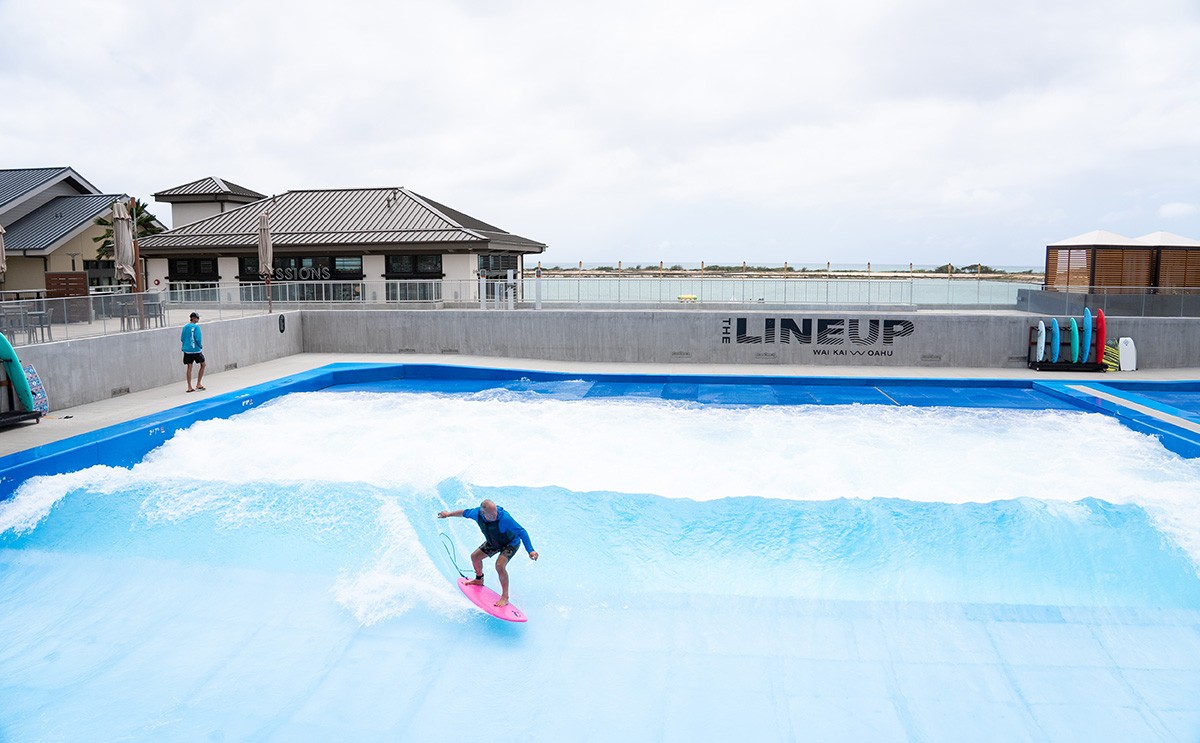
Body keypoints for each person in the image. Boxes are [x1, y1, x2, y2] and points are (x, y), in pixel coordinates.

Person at [438, 499, 538, 607]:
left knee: (500, 565)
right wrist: (448, 514)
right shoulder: (477, 513)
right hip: (494, 542)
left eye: (495, 512)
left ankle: (505, 597)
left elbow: (522, 531)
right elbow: (463, 513)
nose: (495, 515)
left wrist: (530, 550)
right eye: (491, 514)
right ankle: (479, 579)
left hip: (511, 543)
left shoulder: (504, 518)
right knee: (475, 557)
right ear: (483, 513)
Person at [181, 311, 206, 393]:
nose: (198, 320)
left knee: (189, 367)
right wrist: (200, 345)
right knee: (203, 364)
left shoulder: (185, 327)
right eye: (197, 318)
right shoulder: (196, 327)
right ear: (193, 318)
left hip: (187, 351)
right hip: (196, 350)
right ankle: (198, 384)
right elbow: (198, 338)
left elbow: (182, 338)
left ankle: (189, 386)